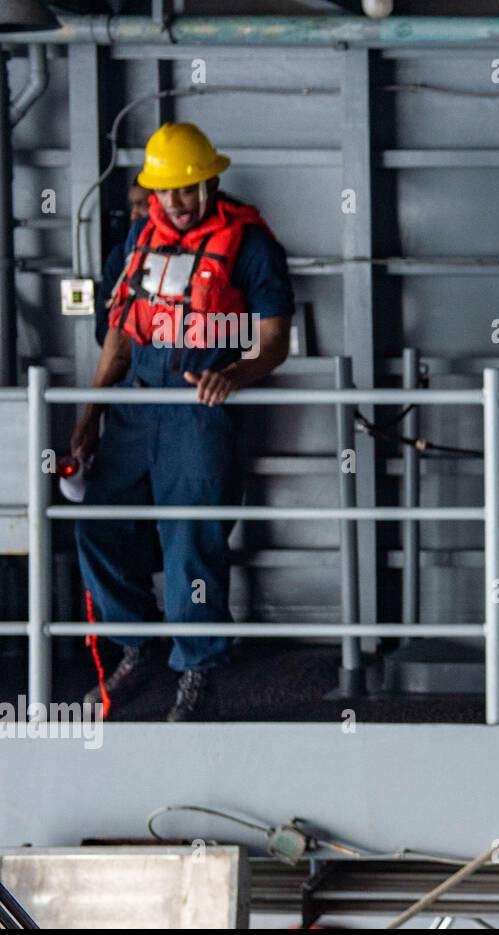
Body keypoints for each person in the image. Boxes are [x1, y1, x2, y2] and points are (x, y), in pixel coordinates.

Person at [72, 122, 294, 721]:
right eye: (166, 190)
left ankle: (200, 670)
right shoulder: (138, 240)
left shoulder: (249, 243)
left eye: (189, 188)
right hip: (136, 408)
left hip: (199, 410)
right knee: (94, 524)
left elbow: (274, 340)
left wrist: (236, 375)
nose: (177, 200)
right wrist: (90, 415)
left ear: (211, 181)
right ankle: (139, 645)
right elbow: (119, 336)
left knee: (191, 540)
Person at [97, 177, 151, 346]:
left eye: (143, 205)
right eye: (132, 205)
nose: (134, 214)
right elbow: (102, 331)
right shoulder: (120, 257)